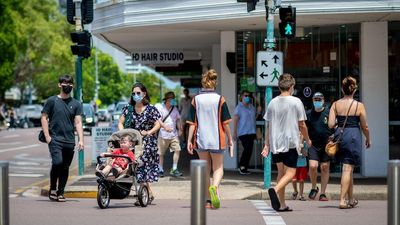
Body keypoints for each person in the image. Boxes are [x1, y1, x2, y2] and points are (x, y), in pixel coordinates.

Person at [261, 73, 312, 212]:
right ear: (292, 86)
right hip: (290, 142)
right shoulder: (296, 102)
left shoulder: (272, 102)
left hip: (275, 143)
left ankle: (282, 204)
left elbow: (269, 125)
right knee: (290, 172)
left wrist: (267, 144)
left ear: (279, 86)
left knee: (280, 173)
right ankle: (274, 189)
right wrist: (307, 139)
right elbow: (302, 124)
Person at [187, 69, 233, 209]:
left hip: (201, 139)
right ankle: (214, 187)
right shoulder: (220, 99)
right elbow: (225, 123)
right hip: (217, 139)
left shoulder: (196, 100)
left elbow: (192, 123)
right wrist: (230, 139)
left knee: (205, 170)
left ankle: (208, 200)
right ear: (214, 83)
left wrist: (189, 140)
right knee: (218, 168)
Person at [328, 76, 371, 209]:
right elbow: (365, 126)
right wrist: (368, 138)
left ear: (342, 89)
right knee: (348, 169)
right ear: (354, 90)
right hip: (353, 136)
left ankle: (351, 199)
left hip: (340, 136)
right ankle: (342, 200)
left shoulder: (335, 104)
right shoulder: (359, 106)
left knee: (348, 168)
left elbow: (330, 124)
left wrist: (339, 128)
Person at [41, 75, 84, 202]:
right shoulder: (51, 101)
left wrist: (81, 140)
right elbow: (44, 117)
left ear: (73, 86)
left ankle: (61, 192)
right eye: (65, 83)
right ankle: (53, 188)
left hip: (70, 141)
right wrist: (48, 137)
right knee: (57, 163)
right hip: (55, 140)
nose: (68, 86)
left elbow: (78, 123)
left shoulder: (76, 103)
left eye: (70, 84)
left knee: (65, 167)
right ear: (59, 85)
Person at [118, 82, 161, 205]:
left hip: (148, 143)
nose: (136, 95)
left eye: (138, 93)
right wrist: (123, 133)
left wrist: (149, 132)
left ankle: (142, 195)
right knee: (138, 167)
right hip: (134, 142)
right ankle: (148, 193)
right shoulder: (128, 109)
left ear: (144, 94)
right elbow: (120, 122)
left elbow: (157, 124)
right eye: (133, 93)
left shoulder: (151, 109)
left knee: (141, 166)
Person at [306, 92, 333, 201]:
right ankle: (314, 187)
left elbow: (334, 126)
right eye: (315, 99)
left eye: (319, 99)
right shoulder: (309, 114)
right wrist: (302, 143)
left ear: (323, 100)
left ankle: (322, 193)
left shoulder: (329, 112)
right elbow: (304, 129)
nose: (317, 101)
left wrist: (333, 137)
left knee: (324, 167)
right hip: (313, 144)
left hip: (326, 144)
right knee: (313, 166)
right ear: (312, 101)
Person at [155, 91, 183, 177]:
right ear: (167, 100)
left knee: (177, 149)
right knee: (160, 153)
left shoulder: (175, 109)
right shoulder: (161, 108)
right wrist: (164, 127)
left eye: (173, 99)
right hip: (163, 135)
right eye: (171, 99)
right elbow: (158, 120)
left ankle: (174, 169)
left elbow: (177, 119)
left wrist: (180, 128)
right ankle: (160, 169)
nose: (173, 100)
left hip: (173, 135)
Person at [233, 90, 256, 175]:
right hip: (243, 132)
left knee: (249, 150)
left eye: (249, 96)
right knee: (246, 149)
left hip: (251, 131)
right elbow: (235, 120)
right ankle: (242, 166)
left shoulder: (252, 107)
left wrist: (259, 111)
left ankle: (245, 167)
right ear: (241, 97)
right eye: (245, 95)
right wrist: (234, 132)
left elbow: (254, 117)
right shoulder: (239, 107)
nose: (247, 97)